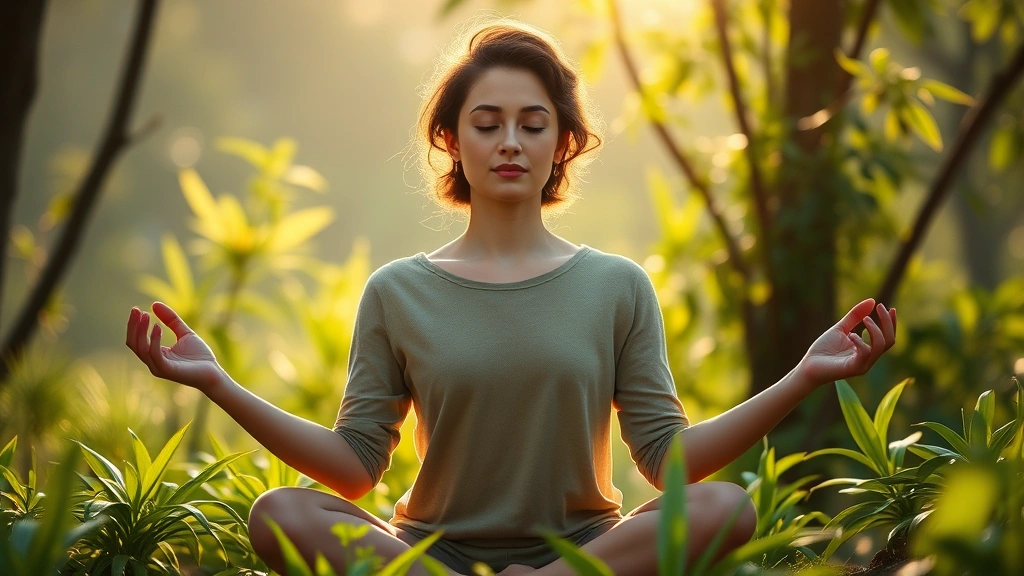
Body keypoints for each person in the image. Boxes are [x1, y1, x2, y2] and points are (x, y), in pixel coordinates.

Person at [124, 17, 897, 576]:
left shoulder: (616, 285)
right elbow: (355, 469)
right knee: (281, 514)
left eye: (532, 125)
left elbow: (669, 462)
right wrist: (217, 382)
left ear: (562, 143)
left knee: (725, 507)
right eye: (487, 124)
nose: (509, 143)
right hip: (429, 557)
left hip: (582, 553)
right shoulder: (397, 291)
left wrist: (805, 374)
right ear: (451, 140)